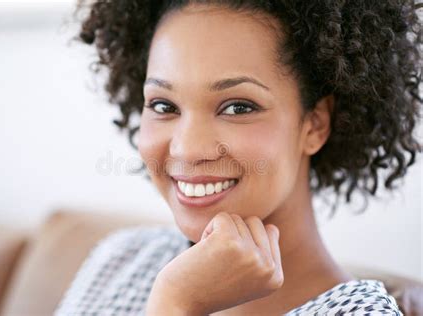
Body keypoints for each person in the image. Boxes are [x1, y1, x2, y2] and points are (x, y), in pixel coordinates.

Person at [55, 0, 421, 315]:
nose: (187, 149)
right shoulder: (121, 259)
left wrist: (178, 305)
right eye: (164, 105)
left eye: (237, 107)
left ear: (314, 124)